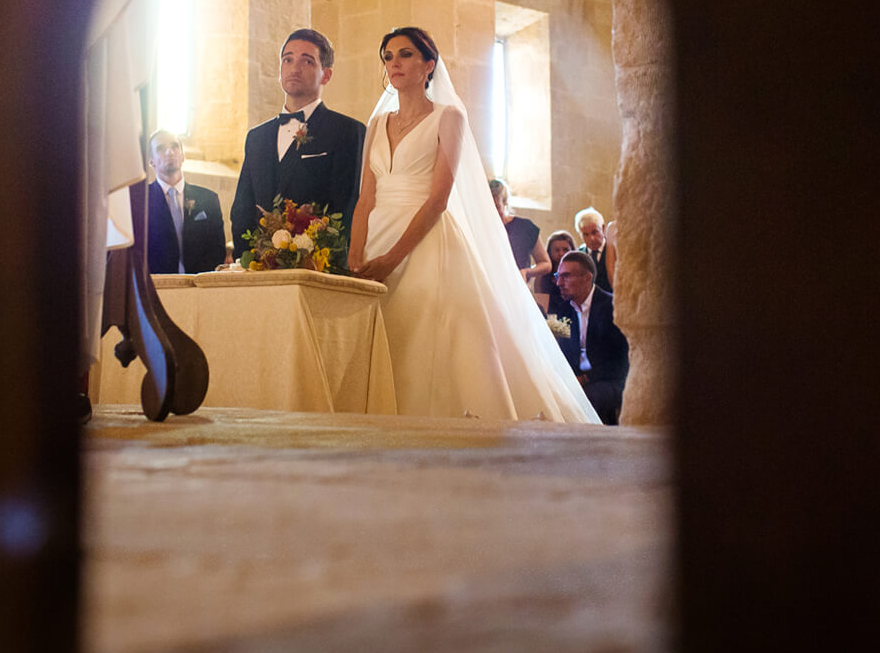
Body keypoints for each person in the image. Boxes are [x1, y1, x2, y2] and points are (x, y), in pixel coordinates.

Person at [348, 26, 598, 423]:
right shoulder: (377, 124)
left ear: (429, 65)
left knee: (427, 339)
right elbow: (365, 198)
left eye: (406, 54)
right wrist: (355, 258)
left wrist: (391, 259)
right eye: (388, 56)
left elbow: (438, 199)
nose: (394, 63)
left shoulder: (449, 117)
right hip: (376, 236)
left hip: (426, 241)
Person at [229, 29, 366, 260]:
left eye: (307, 61)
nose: (295, 68)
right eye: (288, 59)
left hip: (316, 266)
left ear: (326, 75)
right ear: (280, 71)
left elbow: (347, 205)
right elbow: (243, 206)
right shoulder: (257, 137)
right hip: (258, 267)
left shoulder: (347, 131)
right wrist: (250, 258)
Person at [547, 249, 630, 425]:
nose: (559, 283)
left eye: (566, 276)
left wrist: (585, 379)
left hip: (610, 380)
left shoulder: (613, 307)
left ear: (587, 277)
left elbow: (622, 360)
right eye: (558, 276)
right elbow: (557, 351)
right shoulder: (562, 309)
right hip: (576, 379)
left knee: (588, 399)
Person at [136, 130, 227, 275]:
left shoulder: (208, 199)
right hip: (156, 286)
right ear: (151, 160)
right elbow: (137, 251)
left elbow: (217, 249)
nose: (169, 152)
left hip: (198, 287)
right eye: (161, 149)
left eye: (174, 146)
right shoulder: (140, 201)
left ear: (182, 156)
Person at [490, 178, 551, 289]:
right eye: (489, 208)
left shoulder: (525, 227)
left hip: (519, 289)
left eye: (497, 207)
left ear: (504, 203)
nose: (493, 212)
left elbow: (546, 263)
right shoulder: (485, 229)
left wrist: (527, 272)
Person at [574, 206, 616, 293]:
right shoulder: (578, 255)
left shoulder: (613, 251)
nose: (591, 238)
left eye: (594, 232)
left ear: (603, 228)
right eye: (586, 234)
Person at [536, 229, 578, 312]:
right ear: (549, 252)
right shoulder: (542, 275)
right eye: (557, 250)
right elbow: (540, 301)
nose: (561, 254)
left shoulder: (578, 274)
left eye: (565, 250)